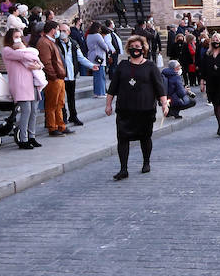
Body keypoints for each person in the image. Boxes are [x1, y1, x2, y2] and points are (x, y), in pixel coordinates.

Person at [105, 36, 168, 179]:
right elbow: (113, 86)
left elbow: (159, 87)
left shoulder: (150, 66)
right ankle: (123, 169)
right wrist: (108, 104)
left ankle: (146, 162)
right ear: (128, 48)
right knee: (122, 138)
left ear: (143, 48)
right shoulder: (122, 66)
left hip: (144, 109)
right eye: (132, 46)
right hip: (125, 109)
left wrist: (164, 104)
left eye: (138, 46)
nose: (135, 49)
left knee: (145, 137)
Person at [1, 27, 44, 150]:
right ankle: (23, 138)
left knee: (34, 112)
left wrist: (37, 63)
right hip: (20, 84)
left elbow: (37, 61)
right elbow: (25, 55)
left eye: (20, 36)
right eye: (15, 36)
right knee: (26, 111)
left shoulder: (24, 50)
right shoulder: (7, 50)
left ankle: (32, 136)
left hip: (31, 83)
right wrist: (32, 56)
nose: (18, 39)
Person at [57, 25, 96, 128]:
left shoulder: (73, 44)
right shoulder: (55, 44)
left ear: (69, 32)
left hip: (71, 75)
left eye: (64, 30)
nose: (62, 32)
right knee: (61, 99)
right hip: (61, 75)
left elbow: (80, 58)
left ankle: (73, 116)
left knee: (71, 98)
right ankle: (63, 117)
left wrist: (91, 65)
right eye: (60, 30)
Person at [36, 21, 70, 136]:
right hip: (53, 79)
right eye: (58, 29)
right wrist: (54, 76)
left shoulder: (50, 42)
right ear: (53, 30)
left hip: (58, 77)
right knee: (52, 104)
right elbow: (46, 62)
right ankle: (52, 126)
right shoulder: (44, 42)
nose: (59, 32)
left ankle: (61, 125)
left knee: (59, 103)